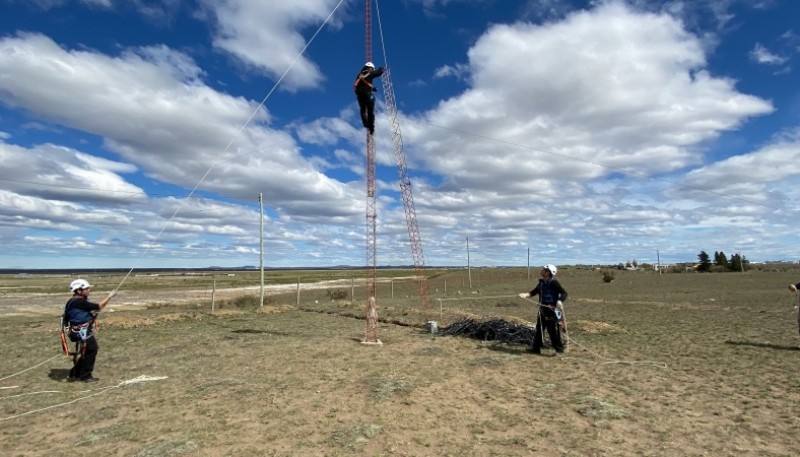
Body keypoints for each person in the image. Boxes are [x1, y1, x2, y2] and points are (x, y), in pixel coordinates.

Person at [63, 278, 116, 382]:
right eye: (86, 289)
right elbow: (98, 306)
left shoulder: (73, 301)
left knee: (86, 351)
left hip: (78, 331)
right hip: (81, 332)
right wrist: (110, 296)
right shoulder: (79, 302)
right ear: (79, 290)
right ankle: (85, 375)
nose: (89, 291)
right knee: (92, 349)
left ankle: (75, 373)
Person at [519, 264, 568, 356]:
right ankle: (536, 348)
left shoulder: (554, 283)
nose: (542, 270)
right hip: (542, 310)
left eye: (544, 269)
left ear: (548, 273)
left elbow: (563, 293)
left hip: (553, 311)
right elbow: (534, 292)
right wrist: (526, 295)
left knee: (553, 331)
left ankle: (559, 351)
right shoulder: (541, 283)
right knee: (539, 330)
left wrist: (560, 301)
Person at [353, 61, 384, 135]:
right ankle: (371, 128)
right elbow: (380, 72)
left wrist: (372, 89)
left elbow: (361, 85)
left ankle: (365, 124)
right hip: (367, 94)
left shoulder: (359, 75)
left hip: (359, 95)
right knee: (370, 111)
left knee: (363, 110)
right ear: (371, 68)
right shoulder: (370, 72)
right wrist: (381, 69)